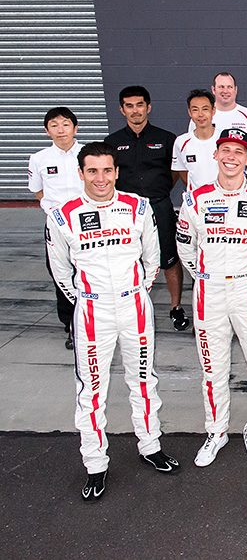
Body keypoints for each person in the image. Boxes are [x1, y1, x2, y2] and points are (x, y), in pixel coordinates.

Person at [46, 142, 179, 501]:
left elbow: (152, 258)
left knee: (144, 380)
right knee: (91, 391)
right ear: (81, 173)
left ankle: (150, 445)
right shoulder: (62, 215)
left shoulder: (138, 206)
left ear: (117, 172)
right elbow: (60, 270)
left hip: (134, 306)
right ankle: (95, 464)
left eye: (107, 170)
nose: (100, 178)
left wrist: (135, 291)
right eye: (92, 171)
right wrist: (86, 299)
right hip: (92, 311)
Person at [176, 128, 247, 467]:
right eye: (226, 149)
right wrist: (203, 275)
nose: (231, 157)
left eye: (239, 151)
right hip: (208, 293)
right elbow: (185, 247)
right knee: (213, 369)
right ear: (216, 154)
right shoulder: (194, 199)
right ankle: (216, 431)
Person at [104, 86, 190, 332]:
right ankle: (132, 308)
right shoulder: (112, 142)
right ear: (122, 110)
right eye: (129, 106)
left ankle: (175, 307)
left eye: (139, 105)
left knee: (169, 258)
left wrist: (159, 192)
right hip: (126, 212)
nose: (135, 110)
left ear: (148, 107)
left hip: (159, 206)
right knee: (128, 259)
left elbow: (176, 171)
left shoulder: (166, 138)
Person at [28, 106, 83, 349]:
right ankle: (71, 325)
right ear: (47, 130)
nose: (61, 130)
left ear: (75, 128)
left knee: (89, 272)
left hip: (86, 225)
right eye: (54, 125)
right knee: (60, 273)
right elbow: (38, 191)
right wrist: (54, 214)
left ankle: (93, 321)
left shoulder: (88, 153)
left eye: (65, 124)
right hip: (57, 226)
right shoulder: (39, 159)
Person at [171, 89, 220, 195]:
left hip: (224, 200)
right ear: (189, 112)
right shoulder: (181, 142)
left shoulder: (224, 140)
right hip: (196, 201)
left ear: (213, 110)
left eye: (205, 109)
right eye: (195, 110)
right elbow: (182, 172)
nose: (200, 114)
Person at [191, 72, 247, 141]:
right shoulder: (200, 117)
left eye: (229, 87)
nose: (225, 91)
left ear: (235, 90)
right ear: (213, 89)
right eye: (221, 87)